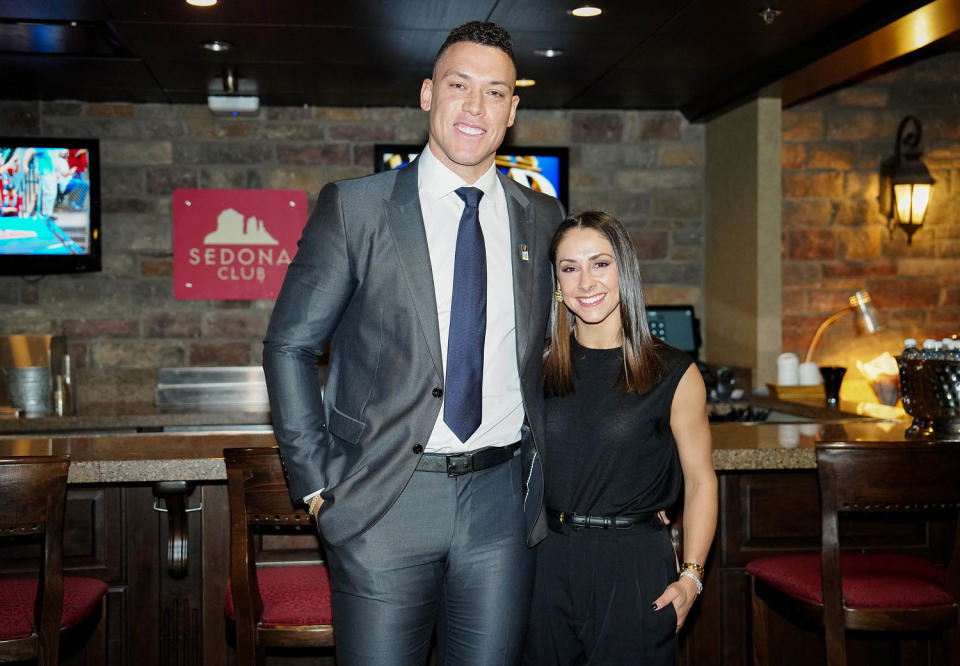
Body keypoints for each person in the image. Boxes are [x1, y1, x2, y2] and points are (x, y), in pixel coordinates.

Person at [263, 20, 565, 665]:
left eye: (494, 92)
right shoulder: (356, 208)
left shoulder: (541, 218)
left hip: (500, 504)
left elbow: (552, 349)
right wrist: (316, 484)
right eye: (459, 86)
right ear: (428, 93)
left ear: (513, 110)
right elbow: (289, 346)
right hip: (382, 501)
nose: (475, 107)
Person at [524, 211, 718, 665]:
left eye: (600, 264)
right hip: (547, 561)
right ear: (556, 282)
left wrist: (692, 576)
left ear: (624, 270)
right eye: (569, 268)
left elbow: (701, 482)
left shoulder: (674, 372)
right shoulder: (535, 366)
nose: (586, 281)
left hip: (634, 566)